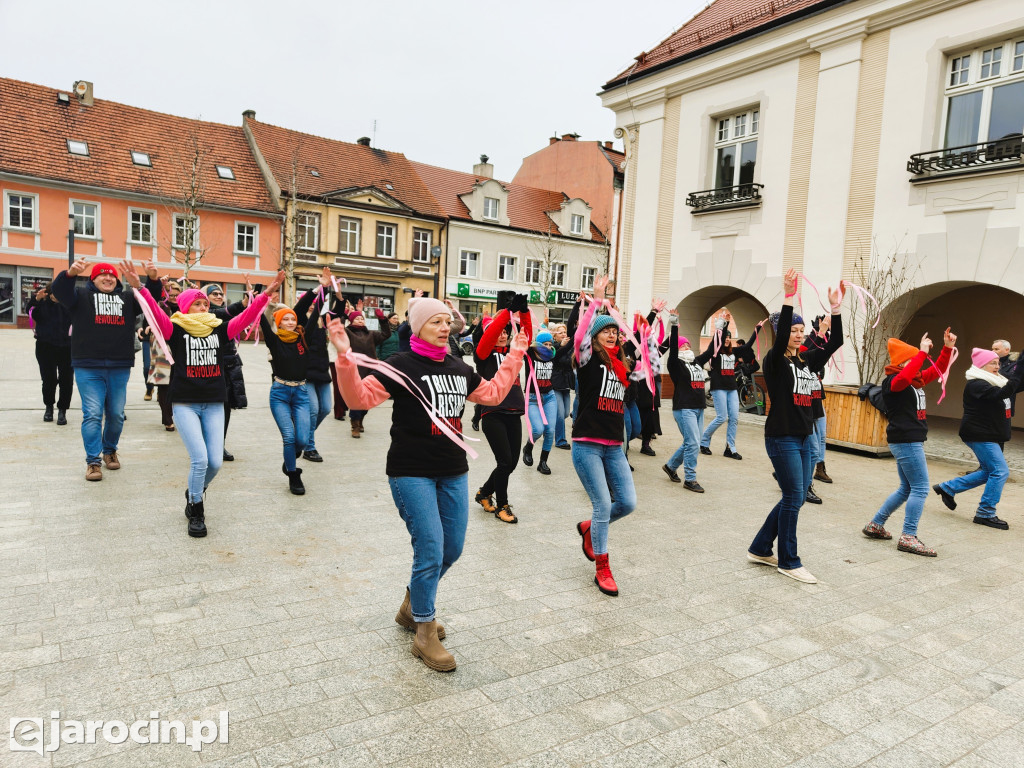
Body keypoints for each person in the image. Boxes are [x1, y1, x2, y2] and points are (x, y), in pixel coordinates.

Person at [327, 297, 527, 672]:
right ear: (417, 326)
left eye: (448, 320)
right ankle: (424, 632)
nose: (445, 326)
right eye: (436, 321)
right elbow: (359, 398)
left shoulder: (458, 366)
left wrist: (515, 354)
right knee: (431, 549)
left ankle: (412, 606)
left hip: (453, 471)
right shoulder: (400, 365)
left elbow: (494, 394)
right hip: (410, 471)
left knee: (452, 549)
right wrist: (343, 357)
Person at [131, 261, 283, 536]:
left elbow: (246, 318)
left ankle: (194, 490)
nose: (204, 308)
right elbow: (154, 312)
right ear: (185, 306)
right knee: (199, 460)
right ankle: (196, 510)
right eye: (198, 304)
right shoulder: (174, 329)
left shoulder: (218, 328)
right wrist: (140, 287)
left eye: (205, 304)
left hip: (214, 402)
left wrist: (265, 294)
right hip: (185, 403)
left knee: (214, 462)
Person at [748, 269, 843, 584]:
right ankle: (789, 561)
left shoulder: (804, 361)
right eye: (794, 329)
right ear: (782, 332)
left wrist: (836, 309)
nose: (800, 334)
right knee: (793, 497)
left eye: (802, 330)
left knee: (797, 496)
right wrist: (789, 295)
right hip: (782, 438)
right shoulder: (774, 362)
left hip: (805, 438)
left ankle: (761, 546)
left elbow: (836, 342)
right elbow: (778, 341)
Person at [862, 329, 956, 555]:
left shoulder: (916, 380)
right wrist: (921, 355)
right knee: (921, 488)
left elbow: (939, 370)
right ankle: (908, 536)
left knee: (907, 488)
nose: (917, 363)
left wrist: (947, 348)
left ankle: (876, 524)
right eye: (912, 359)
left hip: (909, 439)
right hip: (906, 440)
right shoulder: (893, 381)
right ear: (904, 362)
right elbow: (903, 378)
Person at [52, 259, 147, 481]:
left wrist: (145, 283)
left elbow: (150, 302)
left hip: (119, 365)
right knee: (93, 414)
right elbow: (58, 291)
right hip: (88, 366)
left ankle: (109, 450)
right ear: (93, 279)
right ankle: (93, 462)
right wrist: (70, 273)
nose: (108, 278)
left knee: (116, 415)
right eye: (102, 275)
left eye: (112, 276)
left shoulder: (127, 298)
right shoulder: (80, 297)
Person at [572, 276, 637, 597]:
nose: (612, 333)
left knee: (627, 503)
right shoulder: (587, 363)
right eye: (606, 330)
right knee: (602, 505)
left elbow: (650, 355)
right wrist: (597, 302)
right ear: (596, 337)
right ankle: (602, 566)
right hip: (586, 445)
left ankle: (588, 530)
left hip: (614, 447)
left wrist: (655, 325)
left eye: (615, 330)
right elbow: (580, 339)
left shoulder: (622, 368)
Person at [932, 347, 1024, 530]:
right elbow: (1003, 393)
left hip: (991, 434)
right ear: (982, 365)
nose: (997, 366)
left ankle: (948, 488)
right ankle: (985, 513)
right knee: (1000, 472)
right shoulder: (977, 384)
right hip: (980, 434)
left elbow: (1016, 384)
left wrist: (1021, 366)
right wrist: (1020, 366)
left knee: (990, 472)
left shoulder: (998, 380)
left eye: (998, 362)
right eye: (993, 363)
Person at [473, 303, 532, 523]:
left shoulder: (513, 353)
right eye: (499, 331)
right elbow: (488, 338)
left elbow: (525, 334)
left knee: (510, 463)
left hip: (513, 413)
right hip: (493, 413)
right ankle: (502, 506)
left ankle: (483, 493)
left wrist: (523, 311)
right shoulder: (484, 356)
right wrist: (505, 313)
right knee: (505, 462)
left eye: (506, 331)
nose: (503, 334)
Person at [261, 298, 323, 495]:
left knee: (302, 441)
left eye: (292, 319)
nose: (290, 322)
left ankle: (289, 459)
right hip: (279, 393)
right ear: (278, 322)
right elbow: (260, 317)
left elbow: (314, 316)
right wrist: (258, 298)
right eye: (285, 319)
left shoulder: (303, 339)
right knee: (289, 437)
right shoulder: (274, 340)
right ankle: (293, 474)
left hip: (301, 393)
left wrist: (324, 288)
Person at [663, 312, 715, 492]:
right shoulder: (675, 364)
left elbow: (710, 351)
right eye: (682, 345)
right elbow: (674, 349)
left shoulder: (696, 362)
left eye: (688, 344)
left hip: (699, 408)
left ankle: (670, 466)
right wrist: (675, 325)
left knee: (691, 442)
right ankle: (690, 479)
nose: (686, 346)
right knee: (693, 443)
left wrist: (721, 330)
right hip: (684, 408)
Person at [293, 269, 341, 463]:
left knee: (325, 410)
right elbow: (300, 307)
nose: (313, 307)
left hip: (322, 372)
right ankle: (309, 447)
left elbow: (340, 310)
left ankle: (304, 433)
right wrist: (319, 288)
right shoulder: (302, 321)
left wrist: (334, 290)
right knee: (312, 410)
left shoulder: (325, 321)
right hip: (306, 373)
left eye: (316, 306)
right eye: (311, 305)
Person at [700, 313, 760, 460]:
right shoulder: (714, 352)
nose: (727, 339)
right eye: (724, 337)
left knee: (734, 418)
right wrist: (725, 323)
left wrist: (757, 329)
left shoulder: (733, 352)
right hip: (718, 387)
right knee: (722, 417)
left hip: (732, 388)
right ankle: (704, 441)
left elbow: (747, 346)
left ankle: (730, 448)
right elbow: (717, 339)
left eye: (729, 337)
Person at [202, 282, 248, 462]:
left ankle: (219, 444)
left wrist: (252, 300)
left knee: (226, 408)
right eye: (214, 294)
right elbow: (224, 313)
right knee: (210, 408)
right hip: (210, 367)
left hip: (229, 366)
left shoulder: (227, 315)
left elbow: (241, 317)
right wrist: (242, 304)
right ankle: (207, 443)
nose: (219, 296)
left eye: (221, 294)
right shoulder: (205, 314)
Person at [26, 282, 73, 425]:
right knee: (49, 379)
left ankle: (62, 410)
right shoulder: (42, 304)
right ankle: (49, 407)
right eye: (53, 292)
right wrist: (37, 299)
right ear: (49, 292)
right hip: (45, 347)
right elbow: (30, 311)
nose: (56, 295)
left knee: (66, 380)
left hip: (67, 348)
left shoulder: (70, 305)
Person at [344, 303, 391, 438]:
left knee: (366, 398)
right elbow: (339, 332)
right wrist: (343, 315)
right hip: (354, 369)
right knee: (355, 398)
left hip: (370, 369)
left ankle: (361, 419)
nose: (360, 320)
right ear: (351, 320)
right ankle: (355, 425)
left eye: (362, 318)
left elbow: (386, 334)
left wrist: (382, 320)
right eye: (357, 318)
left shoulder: (371, 334)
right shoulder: (348, 333)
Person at [523, 330, 557, 474]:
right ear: (538, 344)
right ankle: (528, 446)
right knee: (538, 429)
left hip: (549, 396)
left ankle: (543, 462)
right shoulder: (530, 355)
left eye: (550, 344)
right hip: (532, 398)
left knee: (550, 430)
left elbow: (572, 342)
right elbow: (525, 335)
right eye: (545, 344)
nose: (548, 347)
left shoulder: (552, 356)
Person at [551, 323, 574, 449]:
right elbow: (555, 355)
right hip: (555, 384)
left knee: (565, 413)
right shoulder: (552, 347)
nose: (564, 335)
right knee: (559, 414)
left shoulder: (570, 347)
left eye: (565, 332)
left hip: (565, 384)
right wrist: (561, 345)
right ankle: (560, 440)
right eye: (560, 333)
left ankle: (547, 426)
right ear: (555, 336)